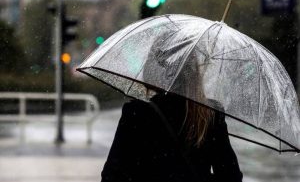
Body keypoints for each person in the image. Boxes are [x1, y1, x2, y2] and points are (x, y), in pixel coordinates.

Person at [101, 32, 243, 182]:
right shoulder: (209, 113)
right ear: (192, 70)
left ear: (152, 68)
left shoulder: (137, 113)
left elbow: (112, 175)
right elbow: (230, 176)